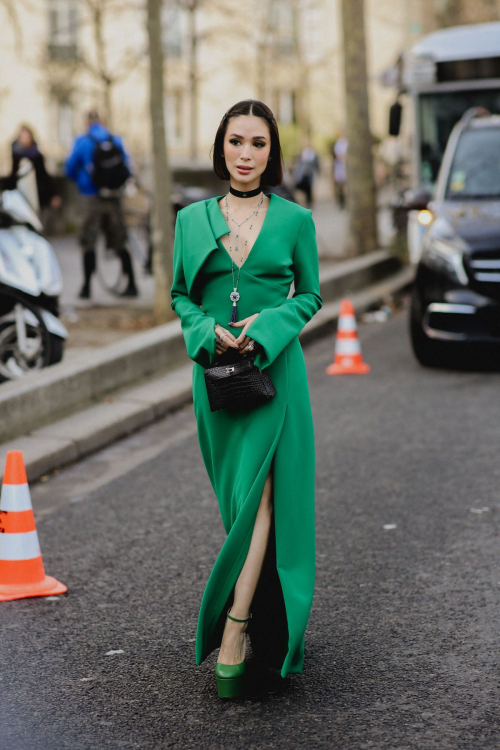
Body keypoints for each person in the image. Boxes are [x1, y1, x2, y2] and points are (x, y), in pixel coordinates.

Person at [170, 99, 323, 698]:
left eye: (258, 144)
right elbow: (181, 296)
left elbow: (310, 296)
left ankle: (233, 632)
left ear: (271, 153)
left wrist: (263, 327)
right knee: (238, 505)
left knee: (262, 504)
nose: (245, 154)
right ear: (221, 146)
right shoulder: (190, 220)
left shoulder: (295, 221)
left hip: (276, 379)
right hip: (216, 382)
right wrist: (208, 333)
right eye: (236, 141)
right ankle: (267, 620)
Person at [65, 110, 138, 299]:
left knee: (88, 242)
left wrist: (84, 182)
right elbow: (127, 167)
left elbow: (70, 168)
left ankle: (86, 288)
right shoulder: (115, 139)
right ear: (102, 121)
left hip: (92, 198)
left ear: (87, 122)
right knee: (120, 240)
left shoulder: (82, 141)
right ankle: (132, 284)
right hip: (114, 198)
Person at [6, 125, 61, 230]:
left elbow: (44, 175)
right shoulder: (16, 155)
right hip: (21, 196)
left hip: (38, 195)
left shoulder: (37, 155)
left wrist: (53, 194)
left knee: (38, 225)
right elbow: (13, 176)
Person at [293, 138, 320, 208]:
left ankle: (310, 203)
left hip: (310, 174)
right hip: (303, 175)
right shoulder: (302, 153)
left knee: (310, 190)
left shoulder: (314, 154)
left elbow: (316, 165)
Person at [332, 132, 348, 209]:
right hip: (340, 167)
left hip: (346, 167)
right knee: (340, 185)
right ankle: (342, 201)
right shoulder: (338, 143)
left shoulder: (347, 142)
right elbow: (338, 155)